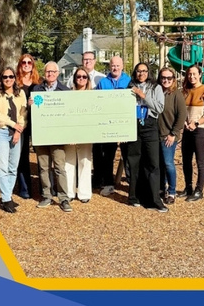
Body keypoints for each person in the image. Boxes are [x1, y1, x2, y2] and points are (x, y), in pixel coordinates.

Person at [31, 61, 72, 212]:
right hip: (41, 134)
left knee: (59, 167)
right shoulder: (36, 89)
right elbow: (33, 113)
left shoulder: (65, 91)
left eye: (53, 72)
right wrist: (31, 105)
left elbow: (69, 115)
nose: (50, 74)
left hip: (58, 135)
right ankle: (46, 195)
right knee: (43, 167)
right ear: (44, 73)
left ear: (58, 73)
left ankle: (63, 198)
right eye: (48, 72)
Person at [127, 62, 167, 211]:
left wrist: (143, 96)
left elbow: (159, 107)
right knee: (134, 161)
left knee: (152, 162)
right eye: (138, 71)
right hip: (134, 125)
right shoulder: (129, 87)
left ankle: (154, 199)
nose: (141, 74)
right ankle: (133, 197)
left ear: (148, 72)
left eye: (144, 71)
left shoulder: (156, 88)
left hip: (150, 125)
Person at [0, 66, 27, 213]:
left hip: (17, 133)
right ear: (1, 79)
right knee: (3, 166)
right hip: (2, 132)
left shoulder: (21, 94)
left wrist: (19, 130)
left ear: (14, 79)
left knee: (13, 167)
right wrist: (13, 125)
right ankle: (6, 199)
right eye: (5, 77)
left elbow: (23, 114)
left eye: (11, 77)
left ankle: (8, 195)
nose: (8, 79)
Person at [94, 55, 131, 196]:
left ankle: (131, 184)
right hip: (107, 124)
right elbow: (96, 101)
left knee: (128, 155)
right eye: (113, 65)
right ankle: (108, 183)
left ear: (122, 66)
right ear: (110, 66)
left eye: (117, 65)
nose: (115, 68)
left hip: (125, 124)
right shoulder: (103, 82)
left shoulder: (129, 81)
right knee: (108, 155)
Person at [180, 64, 204, 202]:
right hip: (187, 129)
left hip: (200, 129)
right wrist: (184, 122)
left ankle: (199, 190)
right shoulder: (184, 91)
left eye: (194, 74)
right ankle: (188, 187)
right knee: (186, 160)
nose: (192, 77)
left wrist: (196, 123)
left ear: (200, 75)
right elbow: (182, 110)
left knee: (200, 160)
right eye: (189, 74)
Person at [63, 66, 94, 203]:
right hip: (70, 134)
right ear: (74, 79)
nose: (81, 79)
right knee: (68, 163)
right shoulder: (67, 94)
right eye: (78, 76)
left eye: (84, 77)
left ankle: (84, 193)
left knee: (85, 162)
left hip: (87, 133)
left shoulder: (94, 95)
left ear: (88, 79)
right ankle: (69, 192)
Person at [157, 66, 186, 205]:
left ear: (173, 79)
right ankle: (161, 188)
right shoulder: (156, 91)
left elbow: (182, 115)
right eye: (163, 77)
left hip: (168, 135)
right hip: (156, 134)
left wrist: (173, 134)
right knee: (159, 163)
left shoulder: (176, 94)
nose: (166, 80)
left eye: (169, 78)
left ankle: (172, 191)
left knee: (168, 163)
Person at [14, 53, 39, 199]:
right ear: (20, 64)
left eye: (29, 62)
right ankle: (25, 188)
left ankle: (44, 188)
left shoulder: (39, 82)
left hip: (37, 124)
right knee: (22, 156)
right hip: (22, 123)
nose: (27, 65)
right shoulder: (16, 83)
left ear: (33, 65)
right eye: (24, 62)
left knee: (42, 155)